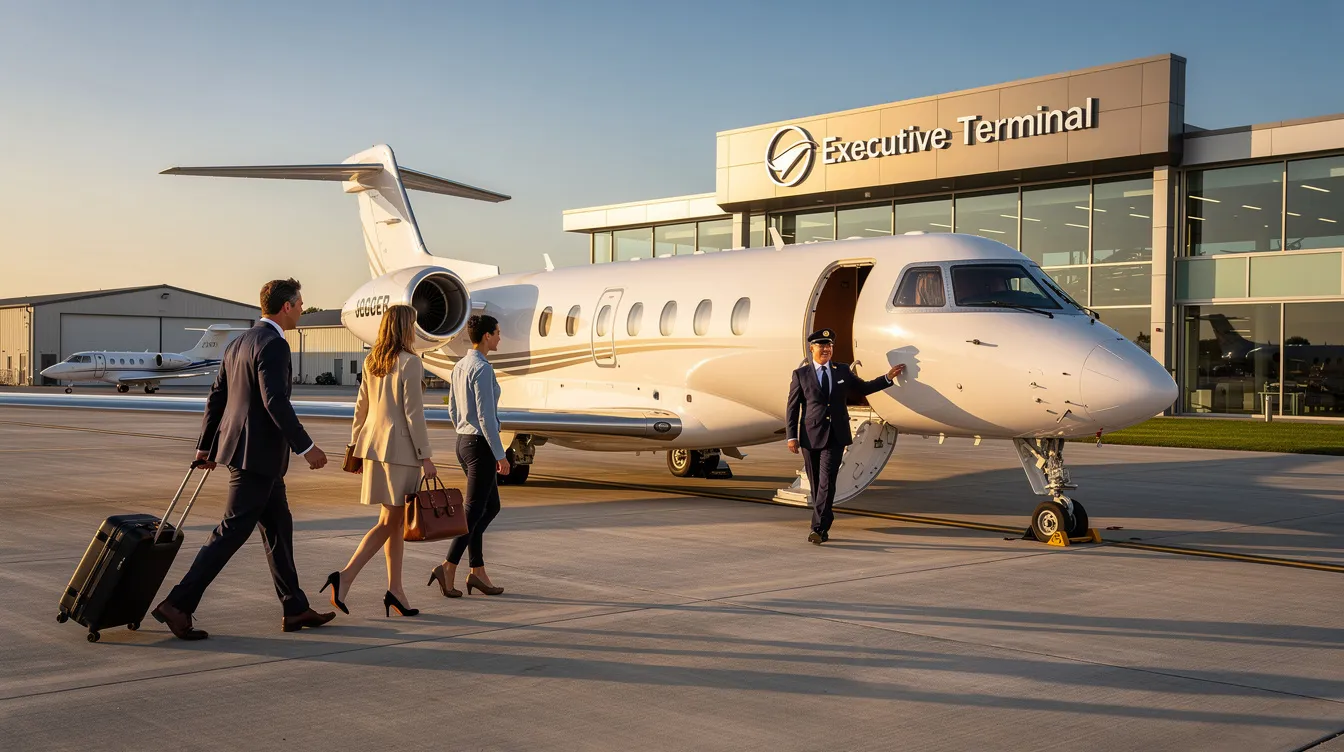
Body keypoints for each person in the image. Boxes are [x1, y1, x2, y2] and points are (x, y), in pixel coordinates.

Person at [152, 278, 334, 640]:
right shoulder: (274, 345)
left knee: (279, 529)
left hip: (245, 452)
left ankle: (295, 608)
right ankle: (177, 604)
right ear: (287, 307)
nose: (301, 309)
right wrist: (306, 447)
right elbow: (274, 401)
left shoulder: (240, 343)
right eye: (299, 304)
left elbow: (217, 397)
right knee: (231, 531)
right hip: (258, 457)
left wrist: (205, 447)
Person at [323, 305, 433, 618]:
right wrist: (426, 457)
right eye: (413, 324)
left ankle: (395, 590)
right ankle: (344, 577)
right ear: (405, 328)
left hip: (374, 447)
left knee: (394, 523)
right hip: (400, 453)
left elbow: (361, 408)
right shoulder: (411, 362)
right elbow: (414, 414)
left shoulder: (373, 361)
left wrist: (357, 447)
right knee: (389, 522)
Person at [785, 329, 905, 545]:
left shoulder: (841, 371)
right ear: (812, 348)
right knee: (815, 484)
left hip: (836, 435)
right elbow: (793, 408)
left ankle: (819, 528)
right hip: (810, 437)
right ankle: (825, 517)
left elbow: (864, 388)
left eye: (829, 346)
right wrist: (791, 437)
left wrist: (887, 378)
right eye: (821, 346)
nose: (826, 349)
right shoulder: (801, 375)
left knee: (827, 482)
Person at [428, 314, 508, 597]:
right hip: (480, 446)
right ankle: (448, 566)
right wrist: (500, 455)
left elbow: (452, 409)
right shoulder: (483, 369)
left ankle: (477, 572)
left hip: (463, 442)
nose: (499, 337)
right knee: (474, 511)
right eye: (497, 332)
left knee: (489, 507)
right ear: (486, 336)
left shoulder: (460, 366)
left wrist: (463, 431)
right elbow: (486, 417)